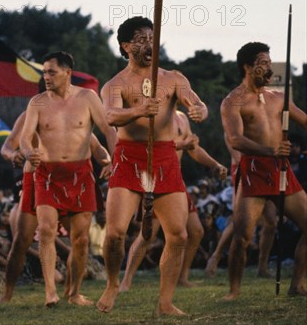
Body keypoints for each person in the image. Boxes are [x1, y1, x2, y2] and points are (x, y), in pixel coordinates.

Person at [97, 16, 208, 315]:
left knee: (179, 234)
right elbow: (110, 117)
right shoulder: (115, 84)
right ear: (126, 46)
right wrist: (139, 110)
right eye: (141, 39)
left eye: (152, 37)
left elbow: (196, 102)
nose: (149, 44)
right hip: (129, 157)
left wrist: (198, 109)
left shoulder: (172, 77)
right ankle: (111, 282)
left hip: (164, 156)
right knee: (116, 232)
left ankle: (165, 301)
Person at [19, 51, 114, 308]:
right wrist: (30, 152)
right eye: (44, 72)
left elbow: (108, 130)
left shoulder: (88, 98)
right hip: (47, 173)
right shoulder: (37, 102)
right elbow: (25, 137)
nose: (46, 77)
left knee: (81, 239)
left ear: (68, 73)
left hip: (80, 173)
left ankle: (74, 292)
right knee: (47, 230)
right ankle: (51, 291)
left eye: (52, 72)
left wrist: (114, 160)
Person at [0, 107, 112, 304]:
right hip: (37, 175)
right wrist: (13, 155)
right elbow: (7, 146)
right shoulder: (30, 114)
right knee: (23, 239)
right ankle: (8, 293)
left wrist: (107, 159)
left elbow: (92, 142)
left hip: (71, 177)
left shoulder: (74, 109)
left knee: (80, 240)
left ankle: (71, 292)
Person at [220, 41, 306, 299]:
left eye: (269, 63)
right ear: (247, 66)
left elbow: (304, 119)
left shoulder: (279, 97)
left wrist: (279, 153)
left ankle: (296, 286)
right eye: (263, 64)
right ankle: (234, 291)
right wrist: (270, 151)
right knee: (242, 235)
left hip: (281, 169)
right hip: (253, 169)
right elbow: (235, 140)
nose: (268, 69)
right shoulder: (232, 101)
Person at [119, 109, 227, 291]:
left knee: (196, 230)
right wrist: (184, 143)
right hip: (154, 177)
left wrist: (214, 164)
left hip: (175, 179)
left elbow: (193, 148)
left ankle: (182, 277)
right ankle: (126, 280)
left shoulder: (182, 117)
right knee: (148, 234)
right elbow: (151, 146)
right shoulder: (153, 115)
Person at [205, 140, 276, 278]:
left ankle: (262, 267)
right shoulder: (235, 122)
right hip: (244, 166)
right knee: (239, 220)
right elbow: (236, 150)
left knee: (271, 220)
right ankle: (216, 256)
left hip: (266, 167)